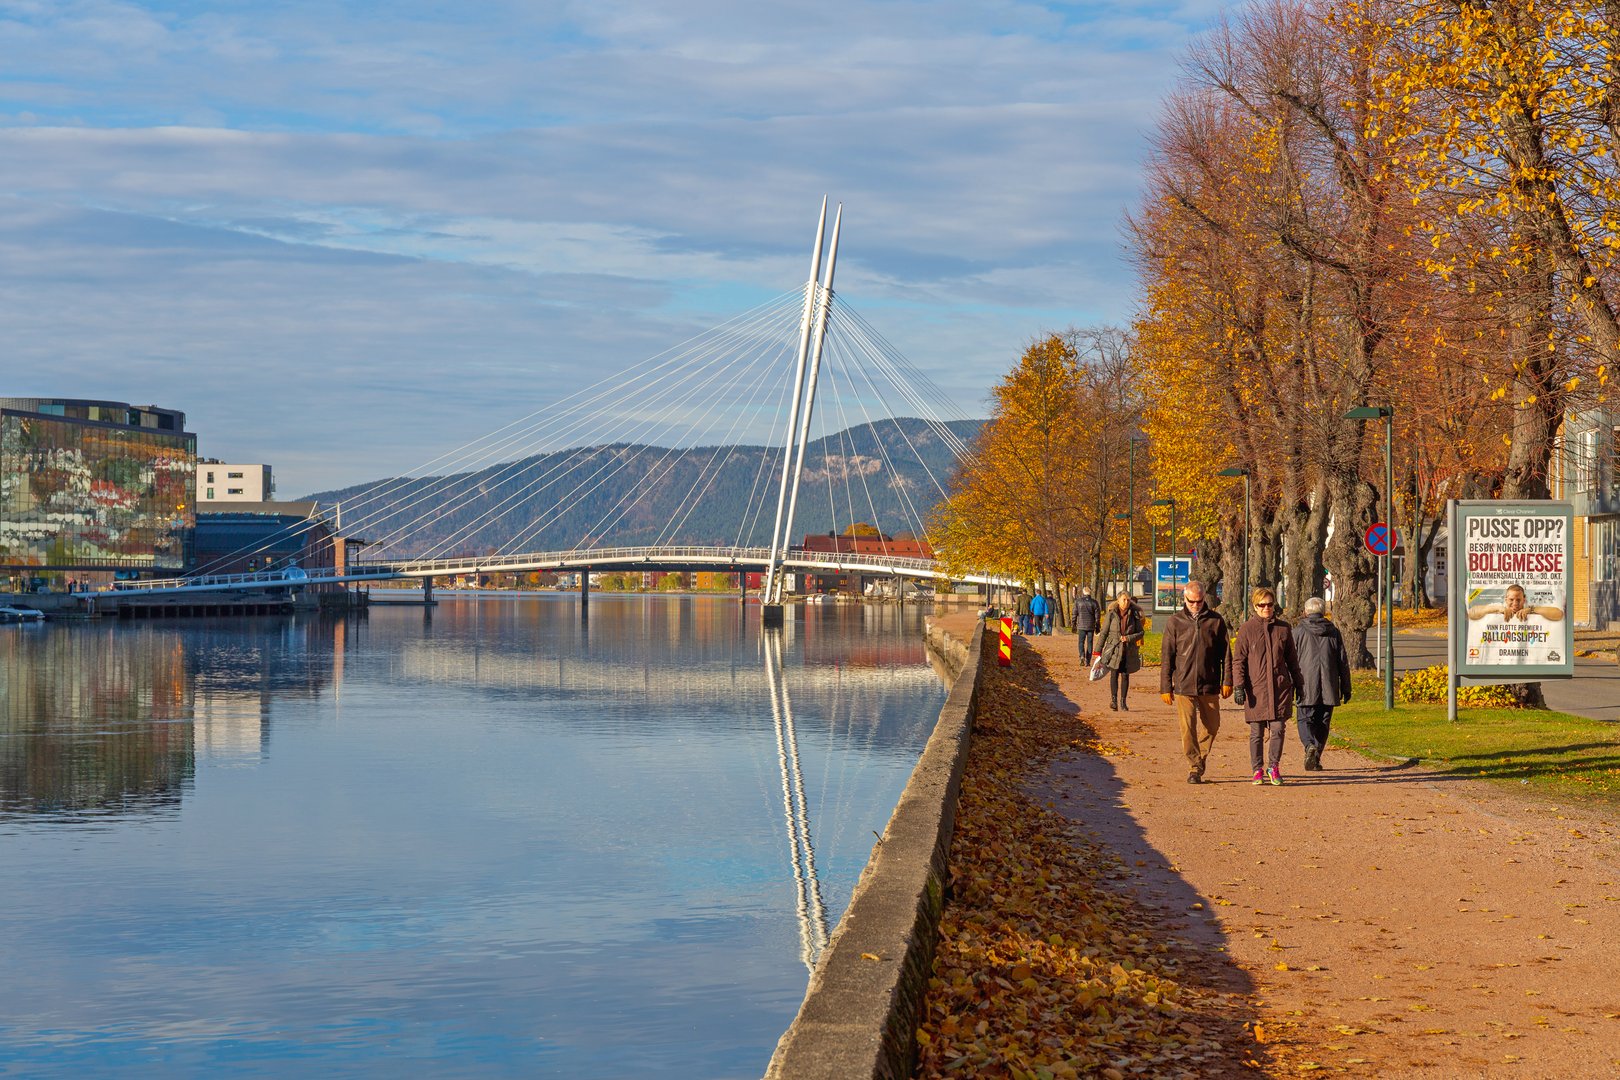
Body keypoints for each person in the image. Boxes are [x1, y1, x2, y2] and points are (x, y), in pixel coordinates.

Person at [1159, 581, 1232, 784]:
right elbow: (1167, 656)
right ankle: (1194, 766)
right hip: (1183, 684)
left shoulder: (1216, 621)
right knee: (1187, 728)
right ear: (1185, 599)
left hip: (1209, 683)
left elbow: (1226, 654)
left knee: (1212, 726)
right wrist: (1166, 686)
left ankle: (1200, 757)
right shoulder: (1175, 622)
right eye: (1192, 602)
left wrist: (1227, 680)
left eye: (1199, 602)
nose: (1195, 605)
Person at [1232, 587, 1303, 786]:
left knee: (1278, 729)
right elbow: (1239, 661)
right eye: (1261, 605)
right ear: (1255, 606)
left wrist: (1299, 683)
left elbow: (1292, 659)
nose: (1266, 608)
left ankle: (1274, 766)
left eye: (1269, 604)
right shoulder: (1247, 629)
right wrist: (1239, 686)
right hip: (1256, 689)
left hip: (1280, 688)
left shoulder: (1283, 628)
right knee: (1256, 732)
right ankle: (1257, 769)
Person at [1293, 596, 1352, 772]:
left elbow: (1291, 661)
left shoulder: (1297, 632)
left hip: (1305, 684)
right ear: (1324, 613)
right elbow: (1342, 661)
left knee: (1305, 718)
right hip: (1329, 684)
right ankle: (1316, 755)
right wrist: (1346, 687)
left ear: (1305, 612)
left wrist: (1289, 686)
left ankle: (1309, 746)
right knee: (1323, 721)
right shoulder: (1333, 631)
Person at [1097, 591, 1145, 711]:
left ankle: (1123, 702)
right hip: (1114, 648)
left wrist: (1128, 638)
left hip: (1128, 650)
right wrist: (1097, 650)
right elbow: (1104, 632)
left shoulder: (1134, 615)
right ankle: (1113, 701)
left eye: (1128, 600)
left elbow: (1141, 632)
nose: (1126, 602)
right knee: (1114, 674)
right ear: (1118, 601)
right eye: (1124, 599)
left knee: (1125, 675)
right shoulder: (1111, 614)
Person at [1073, 586, 1101, 660]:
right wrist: (1097, 626)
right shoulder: (1094, 602)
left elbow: (1074, 613)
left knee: (1081, 642)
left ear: (1083, 592)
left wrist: (1074, 624)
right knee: (1090, 643)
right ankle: (1088, 660)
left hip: (1081, 625)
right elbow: (1097, 616)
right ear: (1090, 592)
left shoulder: (1078, 602)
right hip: (1090, 625)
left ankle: (1082, 655)